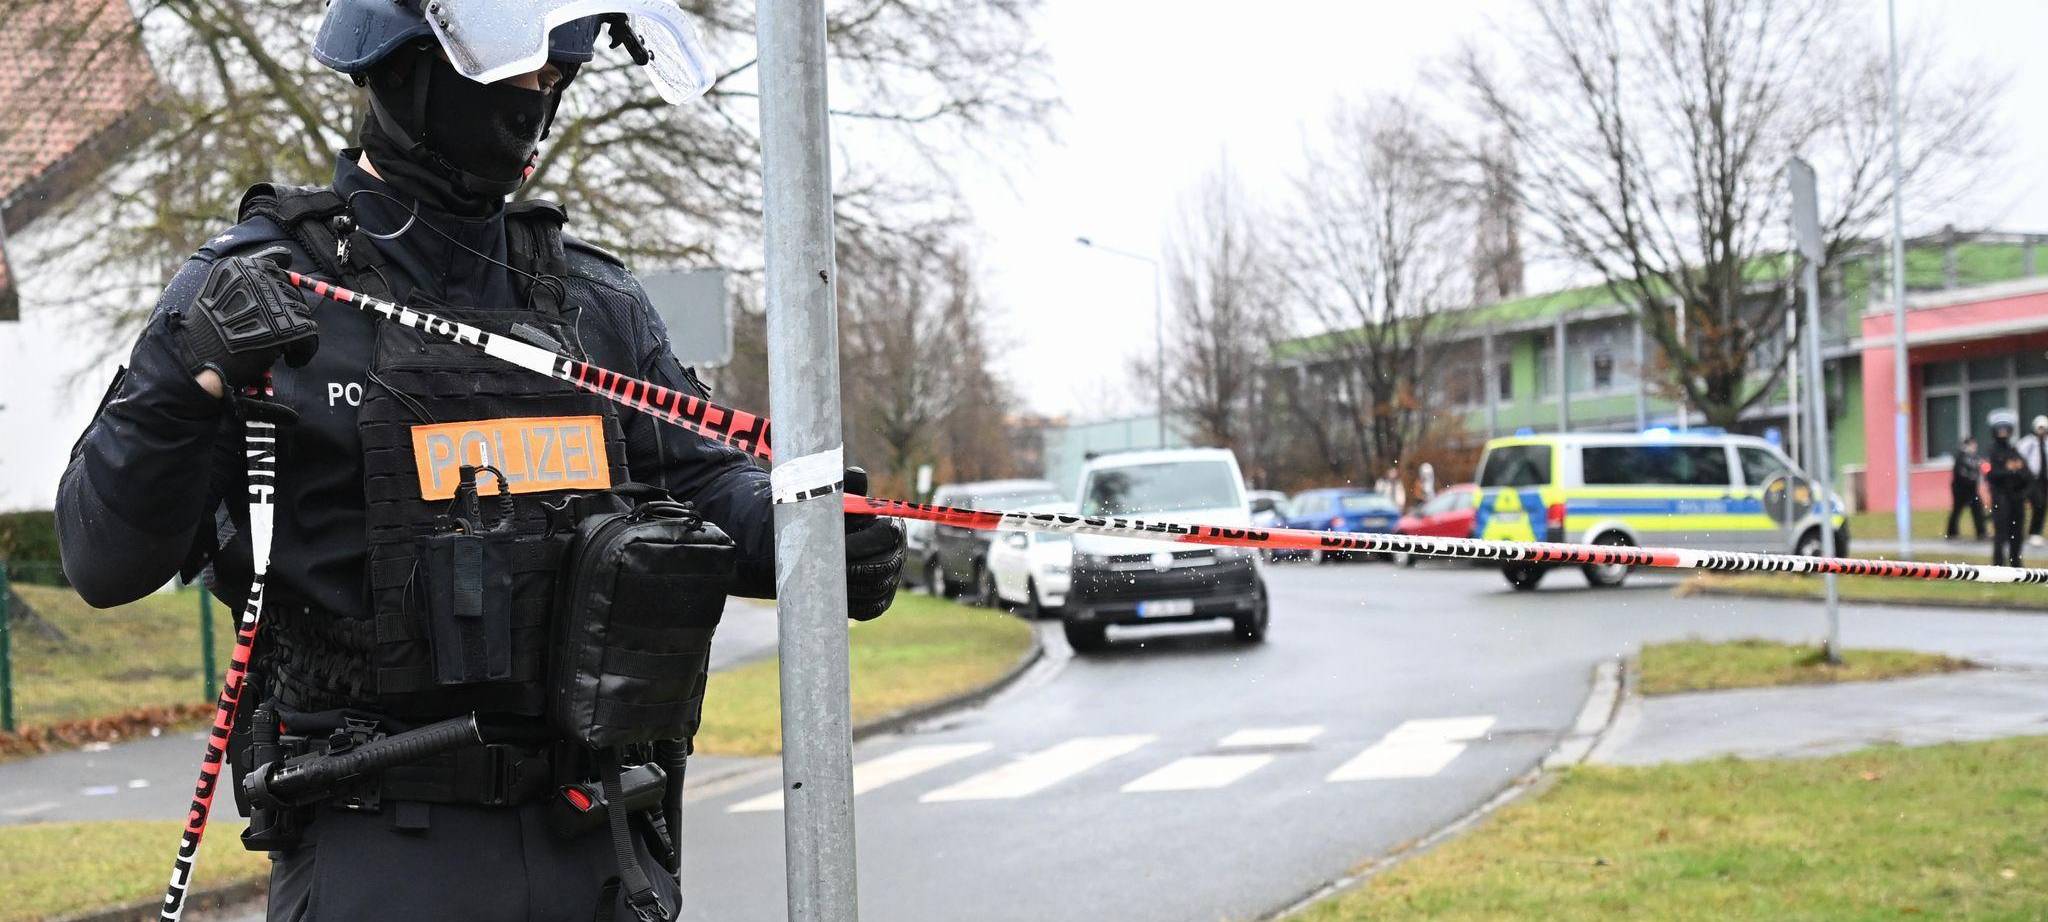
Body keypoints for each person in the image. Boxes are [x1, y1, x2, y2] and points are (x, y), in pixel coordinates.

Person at [53, 4, 903, 920]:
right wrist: (184, 372)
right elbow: (102, 558)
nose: (539, 102)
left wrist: (809, 533)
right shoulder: (259, 289)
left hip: (596, 840)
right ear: (408, 73)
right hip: (378, 841)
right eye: (518, 76)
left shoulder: (591, 303)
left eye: (554, 81)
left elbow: (699, 478)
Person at [1985, 410, 2029, 567]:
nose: (2003, 432)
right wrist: (2011, 470)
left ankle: (2016, 563)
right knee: (2001, 533)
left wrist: (2014, 471)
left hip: (2016, 497)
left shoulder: (2014, 450)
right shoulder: (1992, 451)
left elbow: (2026, 473)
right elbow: (1992, 474)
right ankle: (1998, 565)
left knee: (2017, 533)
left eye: (2006, 428)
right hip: (2000, 498)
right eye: (2000, 428)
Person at [1944, 436, 1987, 541]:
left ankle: (1981, 532)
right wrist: (1972, 479)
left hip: (1971, 489)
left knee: (1977, 509)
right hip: (1961, 489)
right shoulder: (1961, 457)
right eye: (1972, 444)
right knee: (1958, 510)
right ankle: (1952, 532)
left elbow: (1981, 468)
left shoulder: (1974, 457)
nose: (1975, 446)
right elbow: (1961, 473)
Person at [2021, 415, 2048, 546]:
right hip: (2031, 479)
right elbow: (2019, 458)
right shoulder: (2028, 442)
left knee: (2042, 506)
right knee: (2037, 503)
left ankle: (2035, 533)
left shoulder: (2046, 443)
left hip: (2044, 479)